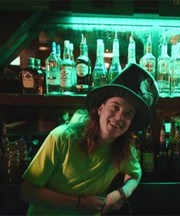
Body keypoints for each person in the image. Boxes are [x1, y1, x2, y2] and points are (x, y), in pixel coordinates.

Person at [20, 63, 159, 215]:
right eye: (115, 107)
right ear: (100, 109)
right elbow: (27, 191)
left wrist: (123, 192)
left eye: (128, 114)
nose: (119, 117)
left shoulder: (123, 147)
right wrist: (79, 204)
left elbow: (135, 174)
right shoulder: (62, 137)